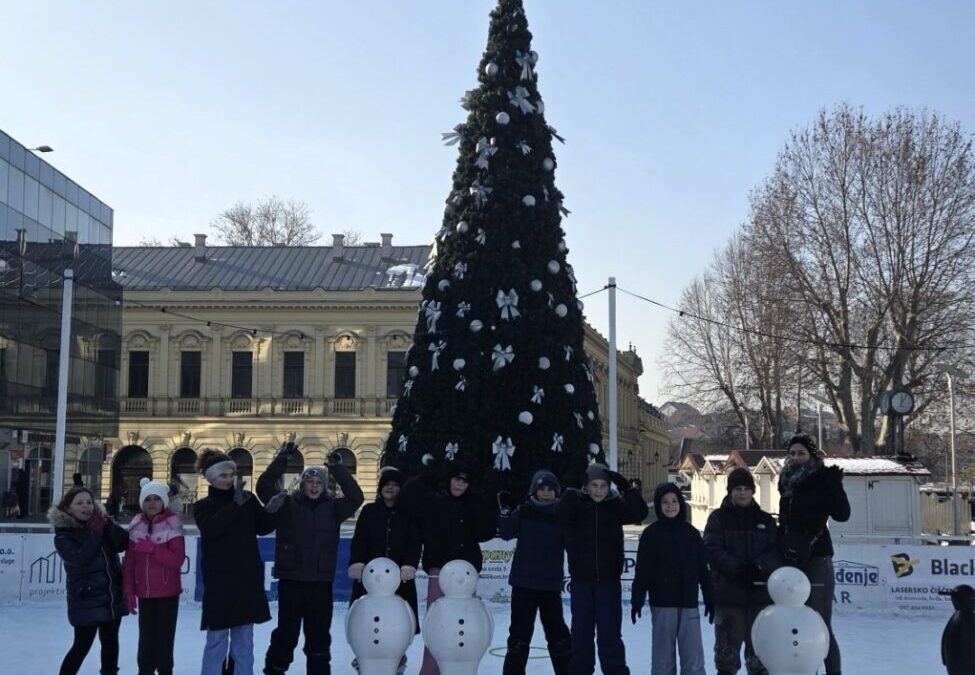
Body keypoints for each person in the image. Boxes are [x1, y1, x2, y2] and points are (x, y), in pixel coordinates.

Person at [257, 444, 364, 675]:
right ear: (302, 484)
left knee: (318, 636)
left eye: (319, 483)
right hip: (291, 581)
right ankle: (274, 670)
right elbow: (263, 486)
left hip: (319, 583)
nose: (314, 486)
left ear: (324, 486)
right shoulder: (286, 504)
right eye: (310, 482)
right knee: (287, 633)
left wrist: (338, 469)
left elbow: (356, 497)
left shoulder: (334, 508)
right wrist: (281, 460)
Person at [400, 458, 498, 675]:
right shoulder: (432, 500)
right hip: (439, 571)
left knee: (462, 623)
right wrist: (427, 475)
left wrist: (489, 496)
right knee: (437, 623)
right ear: (449, 480)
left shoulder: (472, 503)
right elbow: (407, 497)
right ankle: (431, 669)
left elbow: (486, 531)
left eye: (465, 482)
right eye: (456, 479)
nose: (460, 485)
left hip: (465, 573)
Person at [555, 462, 649, 675]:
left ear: (608, 487)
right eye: (594, 485)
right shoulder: (577, 505)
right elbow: (559, 515)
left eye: (602, 486)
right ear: (586, 486)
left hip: (608, 582)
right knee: (581, 635)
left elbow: (639, 512)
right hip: (581, 582)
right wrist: (570, 490)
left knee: (610, 635)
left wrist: (626, 488)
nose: (598, 490)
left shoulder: (615, 506)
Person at [195, 448, 274, 675]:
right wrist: (234, 505)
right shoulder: (203, 506)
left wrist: (274, 511)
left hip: (246, 578)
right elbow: (212, 529)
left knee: (244, 640)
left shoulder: (248, 500)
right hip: (219, 582)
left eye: (231, 475)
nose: (229, 480)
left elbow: (263, 526)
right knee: (216, 640)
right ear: (211, 478)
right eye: (223, 476)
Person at [777, 433, 850, 675]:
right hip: (791, 557)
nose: (796, 457)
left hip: (817, 555)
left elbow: (842, 514)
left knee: (820, 623)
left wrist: (835, 485)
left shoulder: (822, 479)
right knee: (797, 622)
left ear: (812, 455)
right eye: (793, 453)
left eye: (802, 453)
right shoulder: (786, 481)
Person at [631, 482, 713, 675]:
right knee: (663, 661)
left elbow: (703, 569)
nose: (670, 506)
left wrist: (710, 597)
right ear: (659, 505)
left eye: (674, 501)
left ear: (680, 503)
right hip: (662, 604)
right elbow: (643, 571)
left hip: (688, 603)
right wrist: (637, 598)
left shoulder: (691, 533)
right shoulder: (651, 534)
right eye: (665, 502)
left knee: (693, 661)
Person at [703, 468, 779, 675]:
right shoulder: (718, 518)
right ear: (730, 491)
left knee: (761, 659)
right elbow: (711, 548)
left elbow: (775, 551)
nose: (742, 493)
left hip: (760, 598)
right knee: (726, 659)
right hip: (729, 596)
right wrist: (736, 568)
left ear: (753, 491)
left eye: (746, 488)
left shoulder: (766, 520)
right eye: (737, 488)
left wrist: (758, 567)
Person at [48, 485, 129, 675]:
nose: (86, 507)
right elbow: (80, 559)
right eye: (79, 503)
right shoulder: (63, 535)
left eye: (89, 502)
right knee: (81, 646)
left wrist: (109, 525)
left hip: (111, 596)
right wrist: (95, 532)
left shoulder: (100, 524)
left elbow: (123, 543)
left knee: (110, 643)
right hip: (86, 598)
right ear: (68, 508)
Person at [497, 469, 571, 675]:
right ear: (534, 491)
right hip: (523, 584)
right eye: (542, 489)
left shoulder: (561, 514)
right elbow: (506, 533)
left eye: (550, 489)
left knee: (557, 634)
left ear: (556, 492)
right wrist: (504, 512)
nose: (546, 493)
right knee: (519, 635)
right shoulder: (524, 510)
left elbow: (571, 542)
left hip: (549, 584)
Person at [348, 466, 421, 673]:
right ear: (380, 488)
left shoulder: (409, 514)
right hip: (370, 582)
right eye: (387, 484)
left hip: (401, 582)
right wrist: (357, 562)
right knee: (366, 625)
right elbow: (359, 540)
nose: (390, 488)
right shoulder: (369, 511)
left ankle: (397, 664)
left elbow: (414, 542)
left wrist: (409, 564)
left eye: (395, 485)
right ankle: (364, 662)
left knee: (397, 627)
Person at [123, 477, 186, 675]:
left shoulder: (172, 524)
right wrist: (129, 591)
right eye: (148, 499)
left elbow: (177, 560)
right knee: (146, 642)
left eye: (156, 499)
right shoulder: (136, 526)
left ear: (164, 501)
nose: (152, 503)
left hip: (168, 593)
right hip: (145, 594)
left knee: (164, 642)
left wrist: (152, 548)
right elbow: (130, 563)